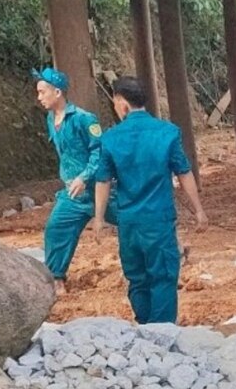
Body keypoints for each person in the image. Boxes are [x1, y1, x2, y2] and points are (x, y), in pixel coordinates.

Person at [92, 77, 207, 325]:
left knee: (137, 278)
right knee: (163, 277)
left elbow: (103, 181)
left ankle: (145, 327)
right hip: (159, 220)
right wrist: (198, 210)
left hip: (129, 223)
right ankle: (161, 332)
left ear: (122, 103)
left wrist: (99, 218)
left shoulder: (110, 138)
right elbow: (184, 172)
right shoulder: (167, 133)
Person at [35, 67, 104, 295]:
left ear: (57, 92)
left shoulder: (85, 119)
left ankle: (172, 251)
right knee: (56, 229)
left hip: (99, 189)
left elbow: (99, 151)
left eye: (42, 92)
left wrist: (85, 176)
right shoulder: (50, 119)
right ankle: (56, 278)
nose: (39, 97)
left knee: (134, 219)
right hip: (72, 194)